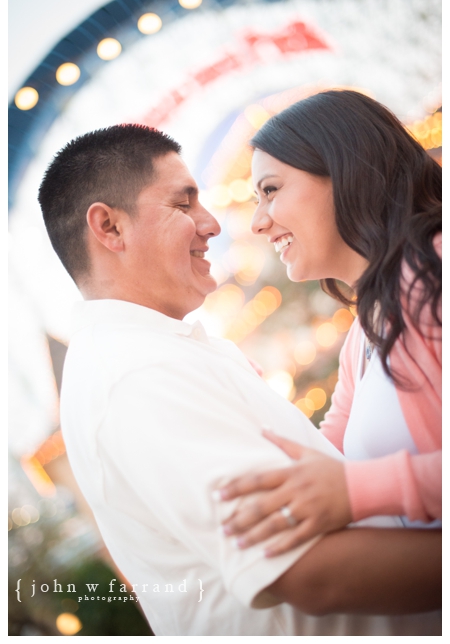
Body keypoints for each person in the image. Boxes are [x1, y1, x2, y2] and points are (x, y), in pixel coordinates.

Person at [37, 124, 441, 636]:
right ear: (110, 228)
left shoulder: (160, 356)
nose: (213, 225)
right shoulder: (139, 376)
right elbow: (310, 572)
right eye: (183, 205)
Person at [215, 90, 442, 560]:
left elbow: (345, 482)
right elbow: (322, 461)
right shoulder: (363, 335)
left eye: (271, 190)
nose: (258, 222)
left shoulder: (436, 268)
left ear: (344, 170)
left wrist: (360, 492)